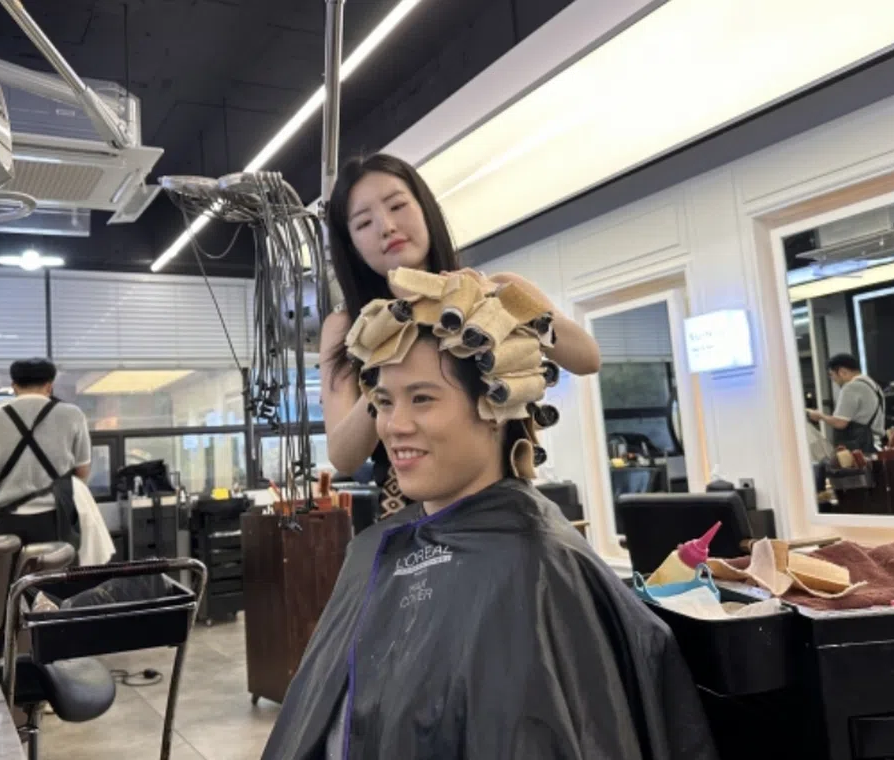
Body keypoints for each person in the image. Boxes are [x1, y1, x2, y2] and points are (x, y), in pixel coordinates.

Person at [262, 273, 715, 760]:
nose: (394, 426)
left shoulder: (537, 568)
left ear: (496, 404)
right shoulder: (371, 550)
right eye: (384, 402)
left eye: (423, 398)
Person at [321, 153, 601, 517]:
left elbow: (587, 357)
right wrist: (382, 359)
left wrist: (496, 301)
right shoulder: (346, 327)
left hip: (503, 509)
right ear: (351, 246)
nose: (386, 226)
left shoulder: (499, 289)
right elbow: (343, 455)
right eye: (363, 223)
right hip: (410, 518)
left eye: (397, 205)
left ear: (425, 209)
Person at [0, 358, 91, 548]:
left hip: (6, 522)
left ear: (14, 387)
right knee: (54, 576)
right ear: (49, 386)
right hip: (56, 520)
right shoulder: (73, 415)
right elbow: (81, 473)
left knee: (12, 577)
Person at [808, 353, 885, 453]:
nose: (833, 380)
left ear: (842, 372)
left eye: (832, 375)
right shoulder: (874, 386)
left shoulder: (851, 387)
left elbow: (840, 423)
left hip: (860, 449)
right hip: (875, 445)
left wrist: (820, 416)